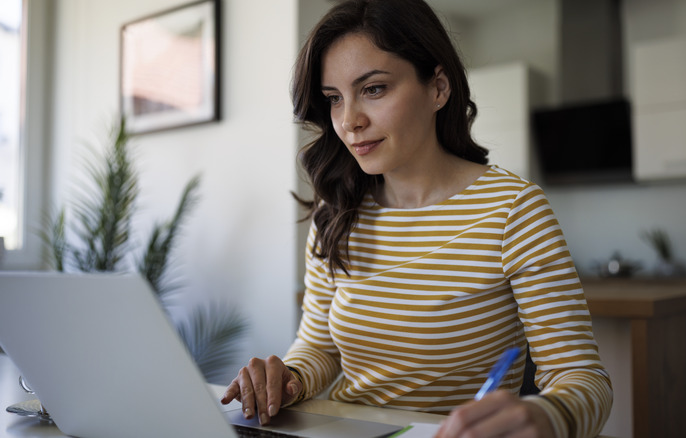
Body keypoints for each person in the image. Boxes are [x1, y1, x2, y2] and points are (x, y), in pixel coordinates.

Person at [221, 0, 613, 437]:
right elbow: (319, 348)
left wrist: (547, 415)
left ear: (438, 89)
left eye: (373, 89)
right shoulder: (337, 213)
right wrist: (287, 379)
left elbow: (583, 379)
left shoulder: (513, 210)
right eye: (334, 99)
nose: (349, 121)